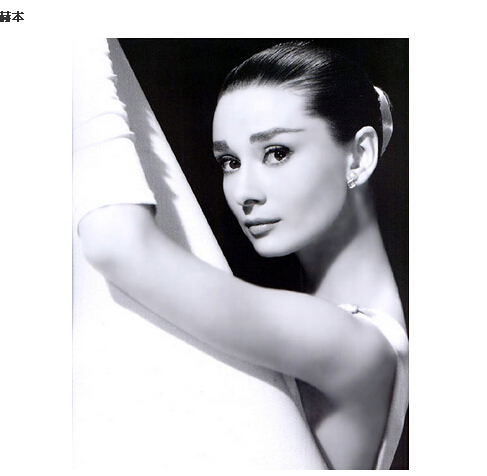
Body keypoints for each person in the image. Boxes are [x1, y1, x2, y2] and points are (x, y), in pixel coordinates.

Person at [78, 41, 408, 470]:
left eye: (277, 153)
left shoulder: (350, 343)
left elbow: (115, 242)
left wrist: (82, 49)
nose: (243, 192)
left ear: (359, 156)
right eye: (230, 162)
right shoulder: (342, 324)